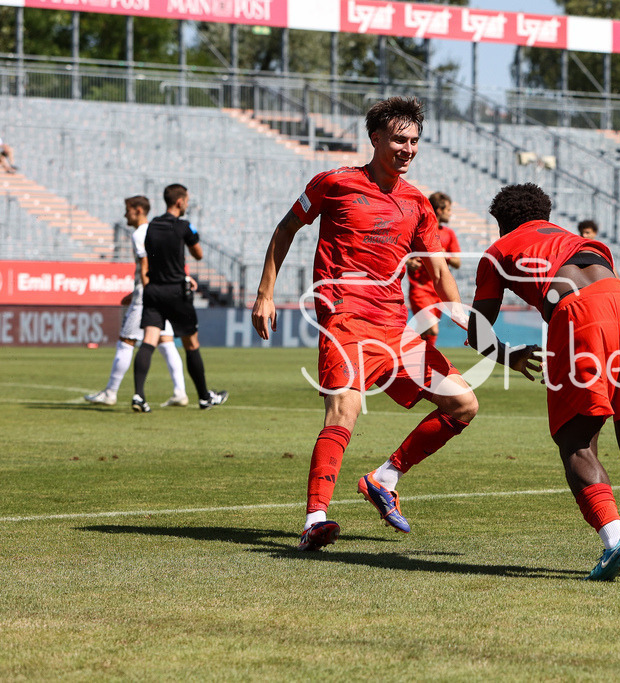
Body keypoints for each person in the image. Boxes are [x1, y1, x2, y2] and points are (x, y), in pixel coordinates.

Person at [250, 97, 478, 552]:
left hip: (396, 325)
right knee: (345, 412)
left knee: (463, 404)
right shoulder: (333, 183)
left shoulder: (417, 202)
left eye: (414, 141)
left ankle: (384, 477)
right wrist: (265, 292)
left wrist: (466, 318)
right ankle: (316, 519)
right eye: (399, 139)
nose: (408, 149)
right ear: (375, 139)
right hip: (345, 316)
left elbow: (437, 269)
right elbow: (285, 228)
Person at [467, 182, 620, 581]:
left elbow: (477, 330)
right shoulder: (588, 243)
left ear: (502, 224)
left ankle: (616, 541)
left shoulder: (497, 252)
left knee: (577, 441)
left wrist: (507, 355)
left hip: (579, 316)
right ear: (546, 216)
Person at [131, 184, 228, 412]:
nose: (187, 204)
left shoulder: (151, 225)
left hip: (154, 290)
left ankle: (138, 396)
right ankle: (204, 397)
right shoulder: (183, 226)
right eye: (186, 200)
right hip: (176, 291)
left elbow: (154, 255)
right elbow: (198, 254)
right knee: (191, 344)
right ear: (179, 202)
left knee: (148, 341)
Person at [85, 196, 189, 407]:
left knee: (126, 341)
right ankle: (180, 392)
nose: (125, 215)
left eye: (128, 210)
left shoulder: (140, 234)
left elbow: (146, 265)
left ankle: (111, 393)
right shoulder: (158, 231)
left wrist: (142, 293)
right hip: (164, 293)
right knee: (165, 340)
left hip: (148, 295)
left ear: (139, 210)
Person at [406, 191, 461, 346]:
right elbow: (402, 253)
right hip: (420, 289)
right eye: (448, 210)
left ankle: (421, 365)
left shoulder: (449, 234)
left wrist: (445, 254)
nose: (450, 214)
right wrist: (409, 262)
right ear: (439, 210)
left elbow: (458, 262)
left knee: (429, 340)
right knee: (432, 329)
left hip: (438, 291)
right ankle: (400, 338)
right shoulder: (418, 230)